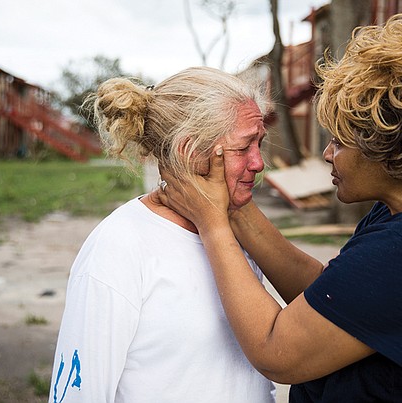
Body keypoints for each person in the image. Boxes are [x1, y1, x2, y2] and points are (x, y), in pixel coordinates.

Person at [157, 9, 402, 402]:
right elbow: (331, 295)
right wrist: (235, 209)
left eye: (340, 141)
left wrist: (213, 224)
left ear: (392, 150)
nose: (326, 153)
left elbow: (276, 350)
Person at [49, 66, 276, 402]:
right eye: (243, 148)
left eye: (260, 143)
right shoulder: (120, 246)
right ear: (189, 150)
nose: (259, 163)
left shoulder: (235, 232)